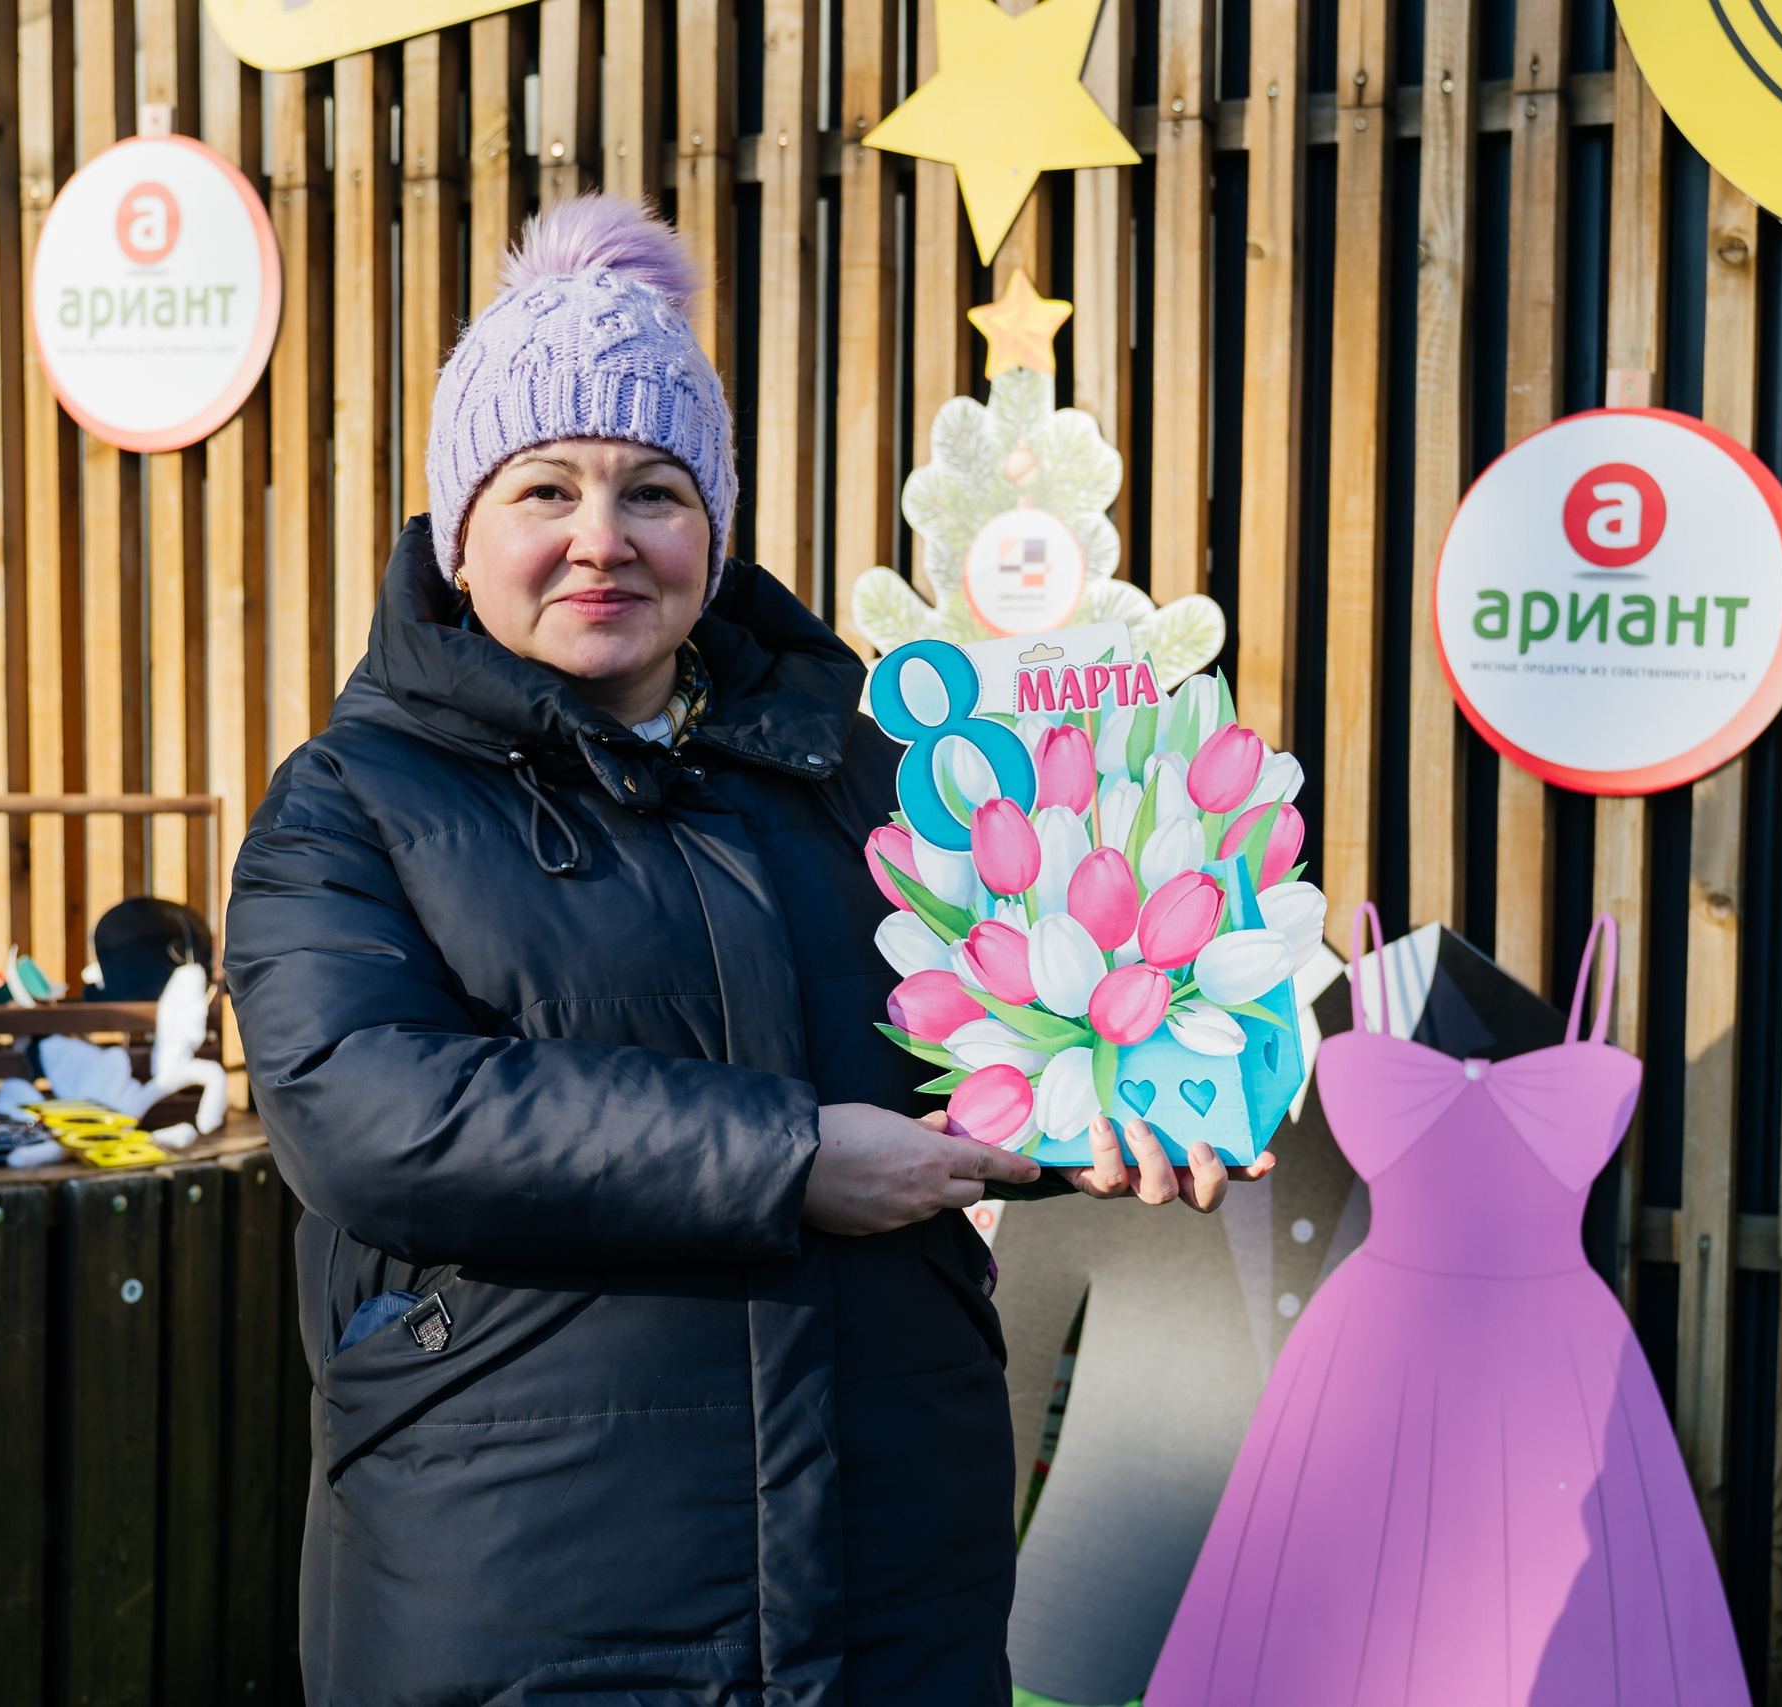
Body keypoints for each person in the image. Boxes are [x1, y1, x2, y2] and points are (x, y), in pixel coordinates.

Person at [226, 194, 1265, 1706]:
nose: (602, 540)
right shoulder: (356, 802)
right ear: (463, 534)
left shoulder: (865, 770)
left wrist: (1104, 1105)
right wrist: (786, 1161)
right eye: (544, 491)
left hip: (889, 1552)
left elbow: (980, 1039)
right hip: (531, 1575)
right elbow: (370, 1111)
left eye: (653, 489)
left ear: (712, 526)